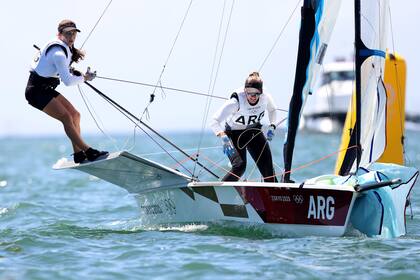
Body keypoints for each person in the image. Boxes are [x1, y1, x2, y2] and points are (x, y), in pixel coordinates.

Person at [25, 19, 108, 164]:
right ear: (60, 34)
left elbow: (56, 69)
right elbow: (68, 81)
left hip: (45, 89)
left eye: (74, 33)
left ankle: (79, 155)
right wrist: (84, 78)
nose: (71, 37)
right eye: (68, 33)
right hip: (35, 92)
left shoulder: (64, 48)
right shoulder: (58, 53)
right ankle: (88, 151)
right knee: (66, 117)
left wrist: (75, 72)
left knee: (75, 115)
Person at [210, 72, 278, 182]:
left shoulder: (265, 97)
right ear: (245, 91)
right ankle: (219, 193)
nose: (253, 96)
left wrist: (272, 126)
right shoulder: (235, 102)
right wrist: (223, 136)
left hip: (254, 133)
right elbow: (214, 121)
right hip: (234, 135)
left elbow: (273, 110)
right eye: (250, 93)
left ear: (261, 92)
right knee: (239, 167)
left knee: (268, 171)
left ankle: (275, 197)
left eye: (256, 93)